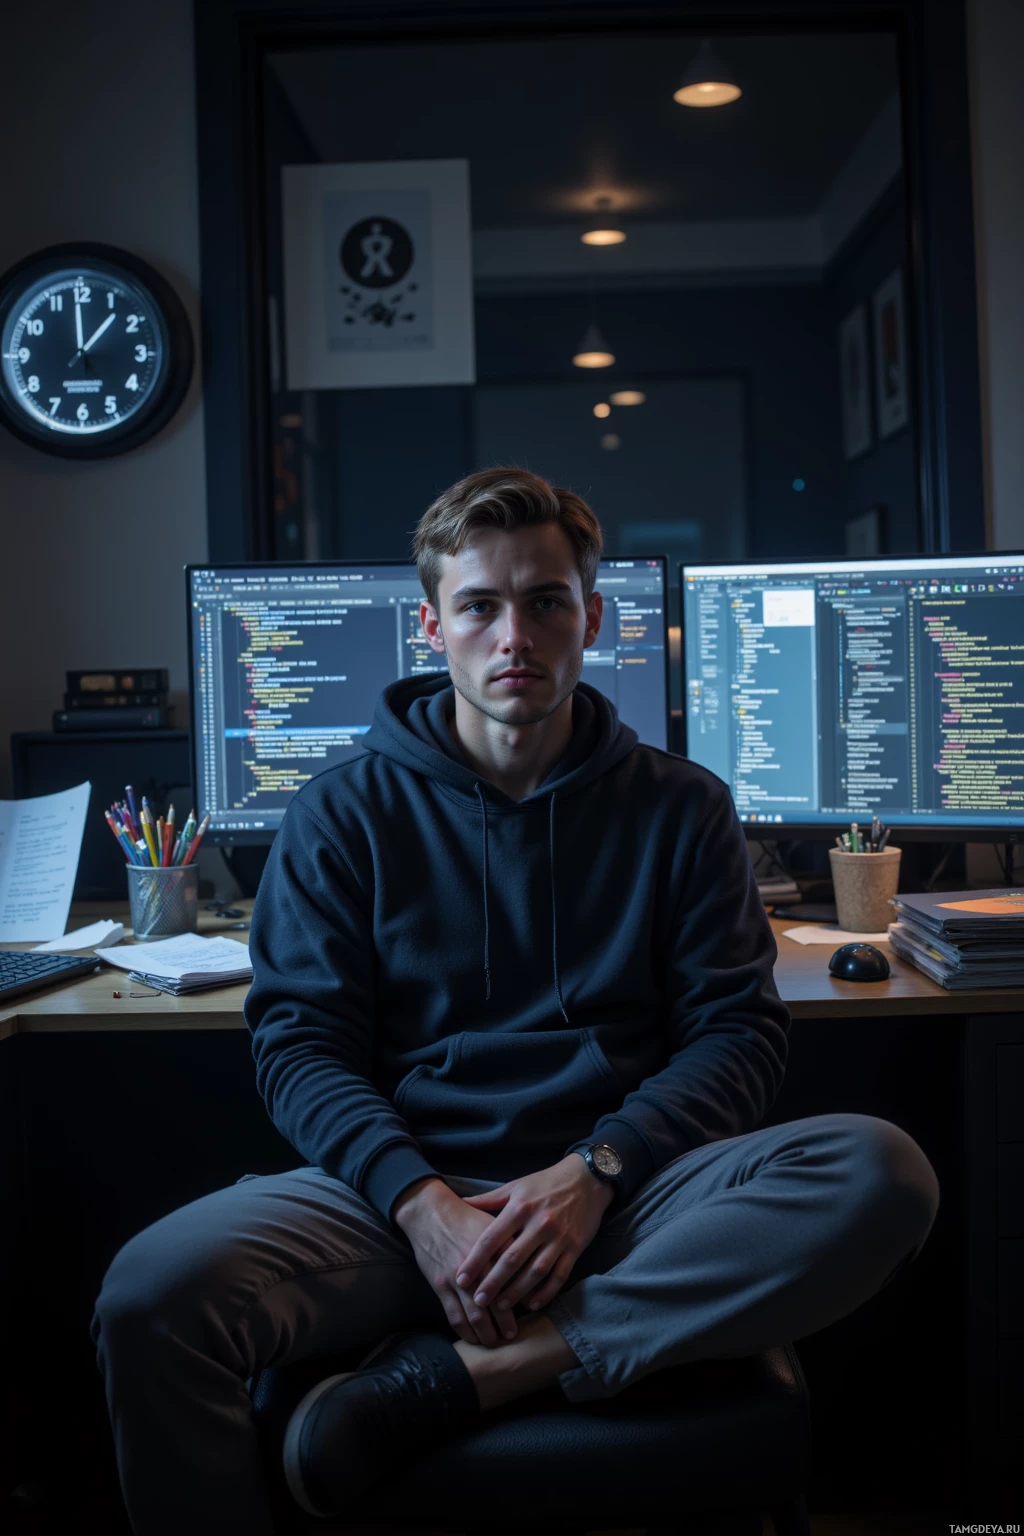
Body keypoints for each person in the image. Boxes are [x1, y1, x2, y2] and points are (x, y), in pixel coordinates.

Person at [90, 468, 940, 1536]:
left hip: (628, 1199)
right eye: (481, 605)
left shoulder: (682, 809)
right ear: (430, 625)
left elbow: (736, 1035)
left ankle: (468, 1377)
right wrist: (423, 1207)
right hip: (400, 1205)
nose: (515, 636)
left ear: (591, 616)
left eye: (545, 601)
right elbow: (300, 1048)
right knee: (149, 1298)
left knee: (882, 1173)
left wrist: (595, 1175)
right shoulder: (337, 815)